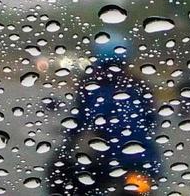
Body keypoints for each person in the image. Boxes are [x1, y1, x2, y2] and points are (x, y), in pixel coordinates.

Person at [49, 36, 164, 195]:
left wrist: (71, 135)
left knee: (60, 171)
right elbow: (152, 120)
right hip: (145, 161)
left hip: (105, 162)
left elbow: (81, 121)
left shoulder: (92, 85)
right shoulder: (139, 85)